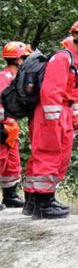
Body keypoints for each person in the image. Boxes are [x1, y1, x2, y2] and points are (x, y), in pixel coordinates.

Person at [25, 19, 78, 219]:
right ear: (76, 35)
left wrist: (75, 116)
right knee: (48, 154)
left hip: (64, 111)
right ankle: (43, 202)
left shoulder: (77, 61)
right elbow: (51, 90)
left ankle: (35, 201)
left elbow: (73, 93)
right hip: (52, 112)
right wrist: (53, 119)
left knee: (60, 156)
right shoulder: (62, 58)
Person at [0, 41, 30, 209]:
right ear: (19, 60)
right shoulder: (4, 78)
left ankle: (10, 196)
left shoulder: (18, 79)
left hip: (11, 128)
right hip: (3, 127)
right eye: (26, 58)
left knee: (12, 163)